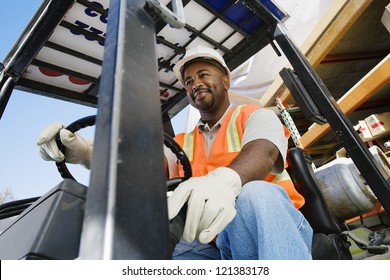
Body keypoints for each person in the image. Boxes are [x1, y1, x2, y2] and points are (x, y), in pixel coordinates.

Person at [37, 45, 313, 260]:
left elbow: (263, 152)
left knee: (255, 194)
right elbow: (141, 169)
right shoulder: (179, 142)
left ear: (226, 81)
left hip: (272, 229)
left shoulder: (255, 116)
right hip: (209, 242)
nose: (195, 84)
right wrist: (87, 153)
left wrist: (225, 181)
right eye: (189, 81)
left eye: (203, 75)